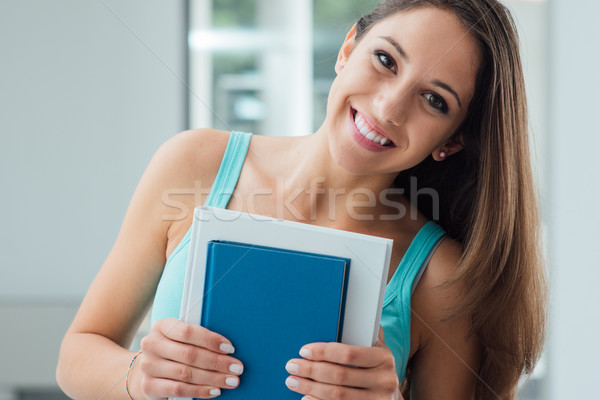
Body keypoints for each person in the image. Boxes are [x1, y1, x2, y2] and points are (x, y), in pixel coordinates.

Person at [56, 0, 547, 399]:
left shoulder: (439, 276)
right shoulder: (194, 164)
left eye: (434, 100)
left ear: (451, 142)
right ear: (348, 47)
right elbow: (77, 354)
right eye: (385, 60)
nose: (389, 107)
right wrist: (138, 375)